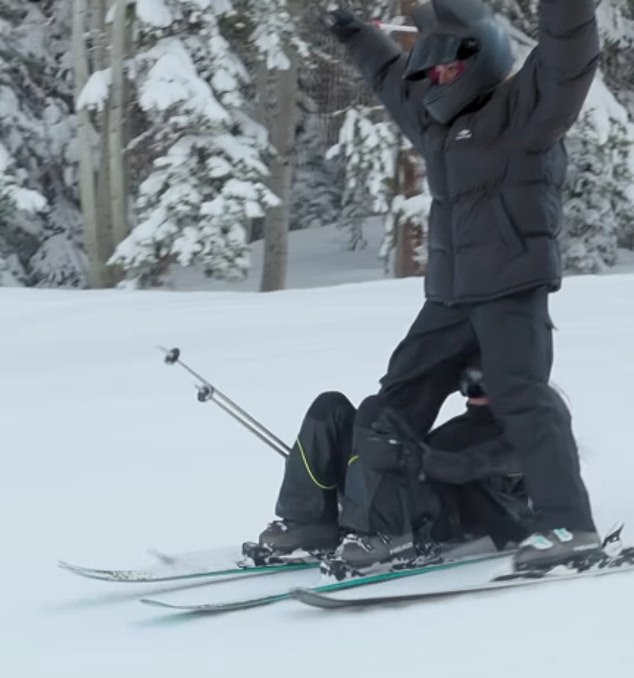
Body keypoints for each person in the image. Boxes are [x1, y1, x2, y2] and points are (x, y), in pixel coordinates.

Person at [322, 0, 601, 572]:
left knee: (521, 396)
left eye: (450, 64)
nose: (439, 77)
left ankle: (568, 525)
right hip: (449, 296)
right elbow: (388, 79)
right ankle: (382, 529)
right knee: (395, 395)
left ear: (481, 56)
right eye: (432, 68)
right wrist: (354, 34)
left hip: (511, 284)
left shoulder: (525, 110)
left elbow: (567, 56)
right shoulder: (436, 125)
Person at [259, 364, 532, 570]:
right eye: (469, 381)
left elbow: (501, 486)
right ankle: (310, 523)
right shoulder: (462, 427)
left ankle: (384, 536)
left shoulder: (524, 433)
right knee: (330, 407)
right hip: (403, 494)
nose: (472, 390)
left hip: (428, 522)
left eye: (482, 383)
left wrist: (417, 458)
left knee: (376, 417)